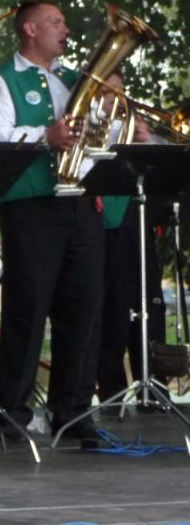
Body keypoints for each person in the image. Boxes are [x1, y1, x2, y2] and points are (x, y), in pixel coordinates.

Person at [0, 0, 104, 445]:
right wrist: (45, 137)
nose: (65, 29)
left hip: (79, 204)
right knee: (27, 310)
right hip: (30, 205)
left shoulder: (75, 81)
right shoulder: (0, 81)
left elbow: (97, 136)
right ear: (30, 29)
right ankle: (12, 410)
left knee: (82, 309)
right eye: (56, 22)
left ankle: (73, 411)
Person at [93, 73, 167, 409]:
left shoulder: (131, 125)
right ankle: (111, 391)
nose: (117, 97)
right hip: (104, 224)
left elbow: (167, 165)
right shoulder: (92, 126)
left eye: (120, 91)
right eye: (108, 91)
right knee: (112, 308)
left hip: (137, 221)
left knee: (149, 305)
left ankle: (154, 387)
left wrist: (146, 140)